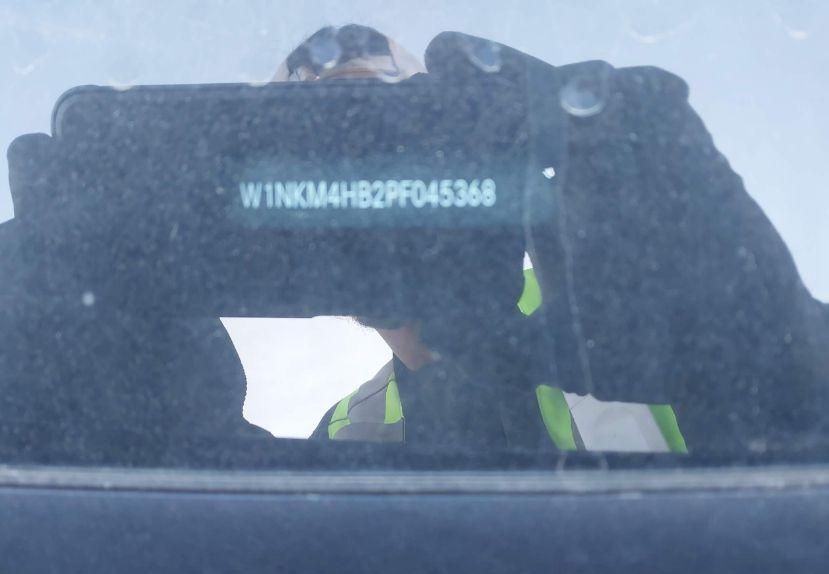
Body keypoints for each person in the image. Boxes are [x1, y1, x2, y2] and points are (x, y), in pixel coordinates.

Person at [275, 25, 829, 453]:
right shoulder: (349, 434)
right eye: (321, 161)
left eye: (388, 140)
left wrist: (781, 357)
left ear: (462, 153)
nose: (364, 187)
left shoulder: (632, 318)